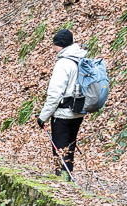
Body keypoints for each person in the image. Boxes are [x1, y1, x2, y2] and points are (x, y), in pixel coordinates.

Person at [37, 29, 88, 179]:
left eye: (54, 44)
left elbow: (55, 94)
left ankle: (62, 180)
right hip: (78, 111)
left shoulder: (63, 63)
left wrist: (43, 117)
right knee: (70, 147)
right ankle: (68, 177)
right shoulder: (80, 58)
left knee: (59, 148)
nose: (53, 48)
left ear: (60, 45)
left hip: (63, 113)